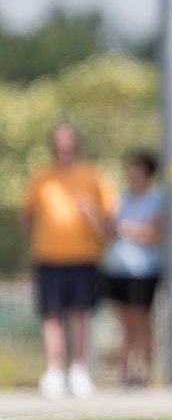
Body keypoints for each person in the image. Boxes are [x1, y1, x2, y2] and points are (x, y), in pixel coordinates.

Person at [20, 122, 115, 399]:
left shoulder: (93, 175)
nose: (63, 147)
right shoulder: (41, 177)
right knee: (50, 315)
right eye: (58, 142)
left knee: (79, 313)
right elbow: (27, 213)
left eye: (68, 142)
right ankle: (54, 371)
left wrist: (91, 212)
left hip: (83, 257)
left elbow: (109, 223)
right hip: (47, 258)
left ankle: (78, 370)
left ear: (76, 144)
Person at [100, 149, 165, 387]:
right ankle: (125, 373)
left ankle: (146, 372)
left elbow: (156, 234)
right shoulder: (120, 198)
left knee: (141, 321)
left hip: (143, 270)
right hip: (117, 268)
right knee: (124, 324)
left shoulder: (156, 200)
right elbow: (109, 229)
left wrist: (128, 229)